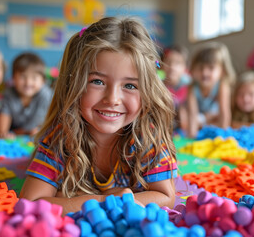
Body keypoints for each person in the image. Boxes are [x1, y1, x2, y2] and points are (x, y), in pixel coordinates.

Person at [19, 17, 178, 214]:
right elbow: (31, 202)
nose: (113, 99)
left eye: (130, 85)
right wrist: (105, 200)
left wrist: (70, 200)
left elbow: (166, 197)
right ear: (74, 84)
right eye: (97, 82)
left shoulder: (147, 139)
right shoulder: (61, 138)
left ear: (146, 93)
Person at [0, 53, 53, 138]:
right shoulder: (9, 93)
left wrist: (20, 132)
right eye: (23, 77)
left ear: (43, 80)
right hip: (15, 125)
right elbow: (5, 113)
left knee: (39, 132)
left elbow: (38, 121)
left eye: (34, 78)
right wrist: (3, 132)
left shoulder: (45, 94)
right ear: (13, 78)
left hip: (36, 126)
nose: (28, 83)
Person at [187, 42, 236, 138]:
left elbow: (224, 114)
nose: (205, 73)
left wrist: (223, 135)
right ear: (193, 69)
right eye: (200, 68)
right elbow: (192, 115)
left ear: (222, 71)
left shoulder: (223, 85)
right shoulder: (192, 87)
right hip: (202, 117)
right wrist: (191, 136)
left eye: (211, 68)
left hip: (215, 117)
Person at [161, 45, 191, 134]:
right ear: (161, 65)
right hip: (165, 124)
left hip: (185, 125)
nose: (172, 66)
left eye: (178, 63)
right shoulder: (158, 85)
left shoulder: (189, 86)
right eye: (168, 62)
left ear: (185, 67)